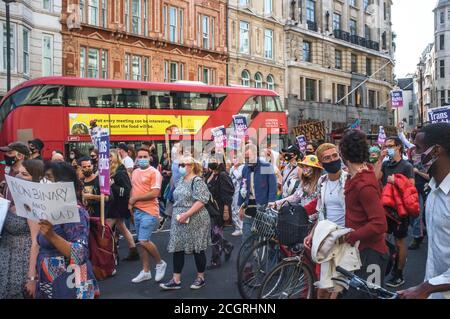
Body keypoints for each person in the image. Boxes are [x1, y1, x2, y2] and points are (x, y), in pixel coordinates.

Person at [398, 123, 450, 299]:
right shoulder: (434, 189)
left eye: (418, 148)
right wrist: (427, 287)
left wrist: (426, 288)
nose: (413, 154)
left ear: (436, 151)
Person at [35, 161, 99, 299]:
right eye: (43, 178)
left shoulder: (75, 212)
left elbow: (80, 253)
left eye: (49, 178)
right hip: (50, 280)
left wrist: (52, 236)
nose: (44, 182)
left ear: (64, 182)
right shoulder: (51, 210)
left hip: (71, 282)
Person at [339, 129, 389, 299]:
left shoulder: (364, 184)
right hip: (359, 252)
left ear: (343, 155)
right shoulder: (356, 177)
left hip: (371, 253)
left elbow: (379, 224)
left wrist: (351, 236)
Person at [303, 144, 348, 299]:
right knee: (323, 288)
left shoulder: (348, 180)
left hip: (344, 239)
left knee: (335, 287)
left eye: (335, 156)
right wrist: (312, 233)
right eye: (327, 158)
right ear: (321, 164)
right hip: (325, 239)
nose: (333, 159)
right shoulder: (322, 182)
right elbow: (321, 213)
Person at [159, 156, 211, 290]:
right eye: (179, 165)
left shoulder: (197, 181)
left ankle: (201, 278)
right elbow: (174, 198)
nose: (180, 167)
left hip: (195, 218)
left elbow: (202, 200)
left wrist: (187, 214)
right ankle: (176, 280)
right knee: (177, 247)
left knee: (197, 248)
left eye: (183, 164)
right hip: (179, 219)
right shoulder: (180, 180)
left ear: (192, 165)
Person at [0, 159, 43, 299]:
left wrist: (31, 278)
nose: (18, 176)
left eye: (24, 174)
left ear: (35, 178)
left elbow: (35, 242)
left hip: (21, 263)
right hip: (6, 259)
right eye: (18, 173)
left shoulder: (32, 204)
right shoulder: (16, 199)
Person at [375, 136, 415, 288]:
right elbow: (374, 178)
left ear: (398, 147)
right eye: (385, 146)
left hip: (400, 211)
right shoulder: (385, 164)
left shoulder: (406, 166)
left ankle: (399, 273)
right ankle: (387, 266)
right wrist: (380, 159)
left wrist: (396, 181)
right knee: (382, 238)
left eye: (390, 146)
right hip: (385, 209)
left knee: (399, 242)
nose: (387, 148)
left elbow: (411, 188)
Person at [129, 148, 167, 283]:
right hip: (137, 211)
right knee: (141, 242)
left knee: (144, 240)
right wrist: (131, 203)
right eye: (140, 157)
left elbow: (155, 193)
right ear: (136, 158)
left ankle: (160, 263)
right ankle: (146, 271)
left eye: (145, 156)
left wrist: (135, 199)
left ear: (150, 157)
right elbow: (133, 189)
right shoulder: (135, 172)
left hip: (150, 211)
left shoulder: (155, 173)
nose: (142, 158)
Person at [238, 143, 277, 249]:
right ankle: (247, 263)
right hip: (248, 205)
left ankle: (270, 256)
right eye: (245, 158)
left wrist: (271, 202)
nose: (246, 160)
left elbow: (272, 185)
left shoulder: (266, 166)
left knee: (267, 235)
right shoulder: (245, 168)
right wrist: (240, 206)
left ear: (256, 155)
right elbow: (243, 187)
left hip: (263, 205)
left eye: (248, 157)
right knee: (246, 236)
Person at [204, 155, 235, 269]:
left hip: (220, 208)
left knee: (215, 235)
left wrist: (226, 211)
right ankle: (227, 246)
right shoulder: (209, 174)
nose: (212, 162)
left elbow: (228, 193)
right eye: (211, 160)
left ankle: (215, 260)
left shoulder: (222, 175)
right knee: (215, 233)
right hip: (210, 208)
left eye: (215, 160)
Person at [108, 149, 139, 261]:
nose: (108, 159)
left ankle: (110, 254)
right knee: (122, 227)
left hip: (119, 204)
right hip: (113, 203)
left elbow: (126, 190)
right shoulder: (111, 170)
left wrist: (112, 186)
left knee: (106, 228)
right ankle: (133, 250)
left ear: (116, 157)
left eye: (110, 156)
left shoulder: (120, 171)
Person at [229, 155, 244, 236]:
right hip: (233, 189)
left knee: (237, 208)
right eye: (233, 158)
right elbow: (230, 177)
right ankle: (237, 227)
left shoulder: (242, 167)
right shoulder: (232, 167)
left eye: (236, 158)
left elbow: (239, 176)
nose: (234, 159)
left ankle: (239, 228)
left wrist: (234, 168)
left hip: (239, 190)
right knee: (233, 208)